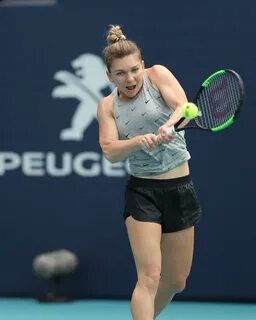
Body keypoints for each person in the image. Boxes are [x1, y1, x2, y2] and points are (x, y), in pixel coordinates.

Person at [97, 25, 202, 320]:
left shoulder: (158, 75)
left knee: (175, 282)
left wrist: (169, 125)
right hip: (143, 194)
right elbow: (109, 150)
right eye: (120, 73)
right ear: (109, 77)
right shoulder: (107, 107)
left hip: (180, 188)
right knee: (150, 276)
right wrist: (136, 141)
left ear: (142, 65)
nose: (129, 79)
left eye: (134, 70)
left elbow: (183, 107)